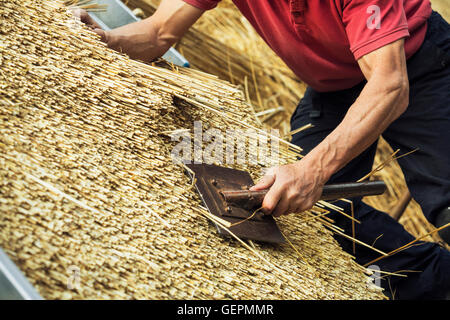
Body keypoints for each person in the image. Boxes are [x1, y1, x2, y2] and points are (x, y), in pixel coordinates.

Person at [75, 0, 450, 299]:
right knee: (314, 215)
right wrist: (105, 41)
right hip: (334, 86)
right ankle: (436, 281)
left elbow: (389, 87)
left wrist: (314, 171)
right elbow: (158, 32)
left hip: (419, 66)